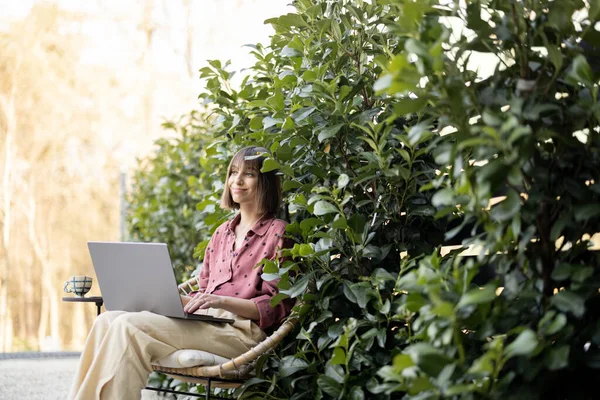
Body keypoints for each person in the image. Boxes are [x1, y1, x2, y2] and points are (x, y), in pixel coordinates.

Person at [68, 146, 293, 400]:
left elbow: (278, 307)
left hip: (243, 333)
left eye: (249, 174)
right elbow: (204, 289)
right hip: (206, 321)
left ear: (266, 181)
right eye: (233, 172)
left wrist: (221, 301)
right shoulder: (221, 233)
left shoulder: (278, 233)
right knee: (106, 321)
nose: (236, 181)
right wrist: (164, 299)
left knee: (127, 327)